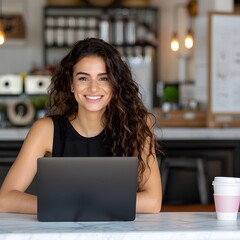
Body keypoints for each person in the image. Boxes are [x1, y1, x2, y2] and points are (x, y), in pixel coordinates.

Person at [0, 38, 163, 214]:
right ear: (71, 84)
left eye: (104, 78)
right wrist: (69, 206)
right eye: (84, 78)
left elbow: (153, 202)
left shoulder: (136, 124)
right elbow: (5, 199)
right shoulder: (46, 130)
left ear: (115, 85)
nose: (93, 88)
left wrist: (78, 205)